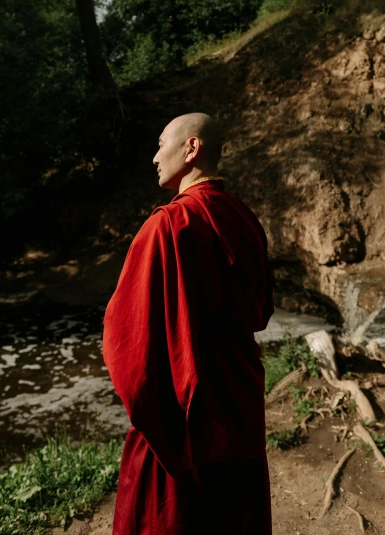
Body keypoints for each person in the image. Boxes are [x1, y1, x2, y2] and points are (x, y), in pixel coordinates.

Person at [103, 112, 274, 535]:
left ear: (191, 148)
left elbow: (129, 343)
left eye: (162, 144)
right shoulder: (244, 218)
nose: (155, 157)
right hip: (240, 412)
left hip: (185, 427)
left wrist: (152, 416)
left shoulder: (169, 225)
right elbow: (261, 311)